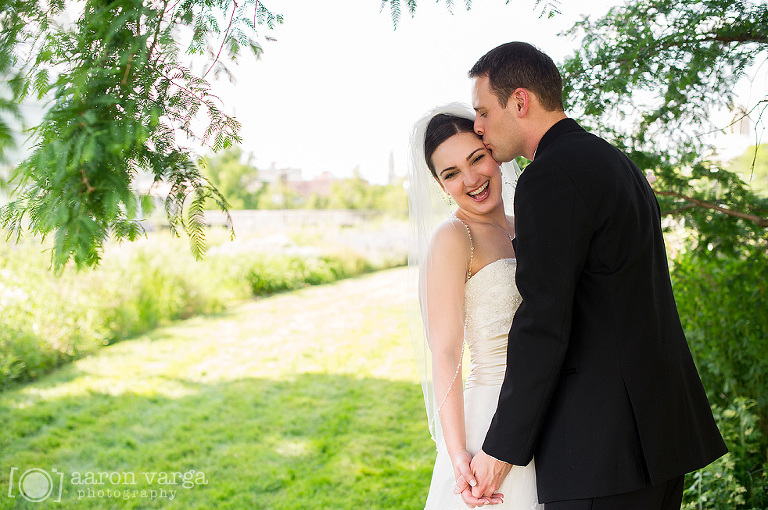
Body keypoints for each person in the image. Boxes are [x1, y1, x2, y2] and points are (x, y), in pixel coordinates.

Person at [454, 41, 728, 509]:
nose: (478, 126)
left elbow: (544, 320)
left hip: (602, 451)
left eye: (482, 111)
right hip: (662, 434)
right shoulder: (616, 163)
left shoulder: (549, 177)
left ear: (519, 101)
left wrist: (500, 449)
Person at [408, 104, 543, 509]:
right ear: (439, 184)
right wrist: (457, 453)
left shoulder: (530, 226)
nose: (471, 180)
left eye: (476, 158)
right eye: (451, 173)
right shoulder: (453, 238)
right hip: (490, 419)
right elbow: (446, 353)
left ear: (494, 154)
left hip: (546, 410)